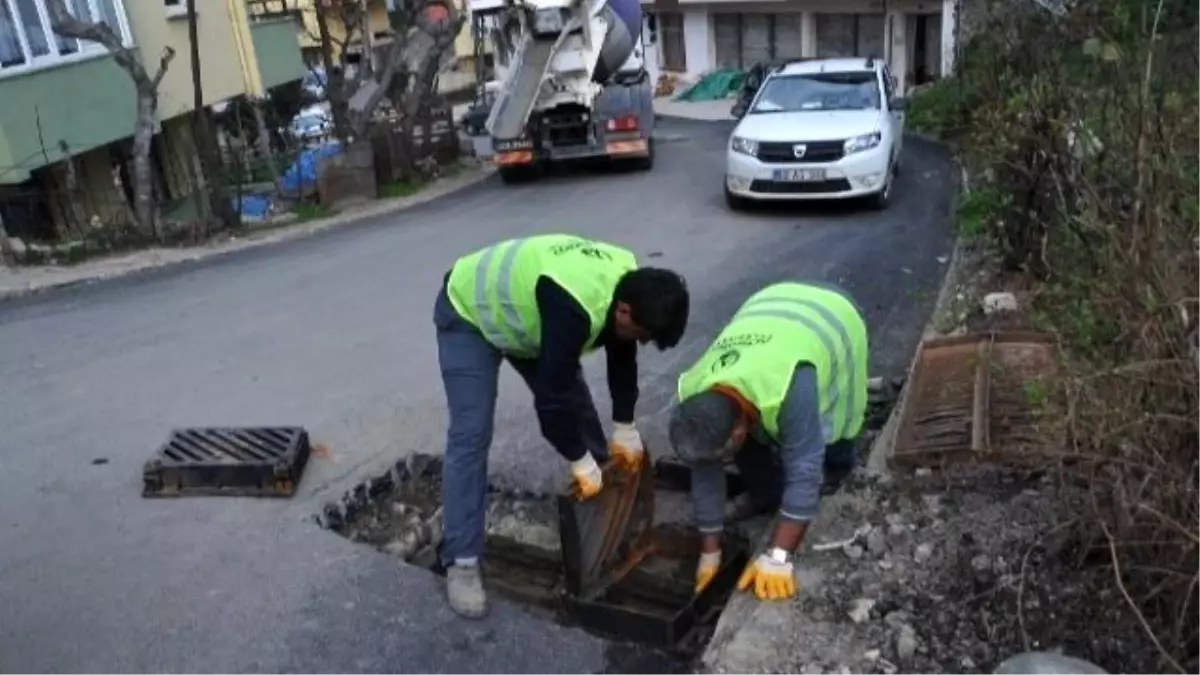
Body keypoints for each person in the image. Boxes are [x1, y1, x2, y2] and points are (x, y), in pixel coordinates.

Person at [433, 233, 690, 618]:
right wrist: (578, 460)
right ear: (622, 311)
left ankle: (608, 513)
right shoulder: (575, 306)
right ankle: (462, 561)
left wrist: (625, 426)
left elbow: (622, 358)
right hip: (471, 311)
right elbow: (550, 404)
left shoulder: (630, 284)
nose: (640, 343)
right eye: (642, 335)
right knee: (471, 435)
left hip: (526, 320)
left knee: (578, 405)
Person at [667, 281, 868, 602]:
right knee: (756, 439)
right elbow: (705, 474)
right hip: (769, 306)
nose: (716, 463)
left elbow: (804, 467)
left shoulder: (790, 386)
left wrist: (777, 557)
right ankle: (768, 492)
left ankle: (839, 471)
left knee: (829, 431)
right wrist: (709, 556)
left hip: (833, 319)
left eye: (722, 453)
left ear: (736, 430)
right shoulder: (696, 393)